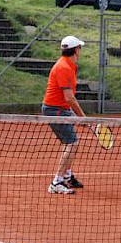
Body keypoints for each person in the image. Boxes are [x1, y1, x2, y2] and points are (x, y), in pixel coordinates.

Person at [41, 35, 86, 194]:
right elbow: (69, 97)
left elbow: (68, 99)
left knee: (72, 141)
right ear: (76, 50)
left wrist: (76, 115)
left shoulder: (70, 65)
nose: (80, 50)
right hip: (54, 110)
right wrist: (82, 116)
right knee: (72, 143)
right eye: (79, 47)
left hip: (62, 108)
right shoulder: (63, 68)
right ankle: (56, 182)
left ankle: (67, 176)